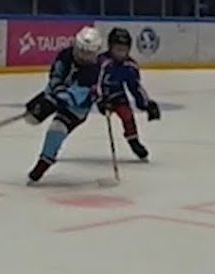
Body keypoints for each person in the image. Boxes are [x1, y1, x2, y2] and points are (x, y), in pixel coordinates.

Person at [25, 26, 105, 183]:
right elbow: (56, 75)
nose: (83, 56)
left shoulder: (93, 71)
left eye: (88, 53)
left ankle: (45, 161)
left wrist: (58, 98)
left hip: (77, 108)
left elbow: (76, 95)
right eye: (81, 51)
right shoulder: (65, 54)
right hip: (56, 94)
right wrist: (49, 96)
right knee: (31, 115)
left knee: (57, 128)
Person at [97, 28, 161, 160]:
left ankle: (133, 141)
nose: (120, 53)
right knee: (78, 114)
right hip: (97, 94)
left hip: (117, 94)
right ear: (110, 47)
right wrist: (100, 100)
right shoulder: (102, 62)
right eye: (117, 49)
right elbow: (94, 83)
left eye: (124, 50)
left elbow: (135, 87)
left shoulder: (130, 66)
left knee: (127, 115)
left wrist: (146, 104)